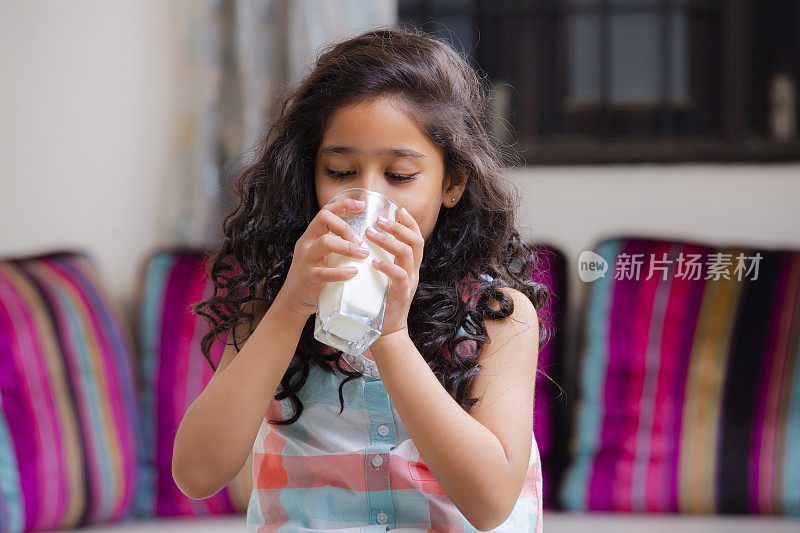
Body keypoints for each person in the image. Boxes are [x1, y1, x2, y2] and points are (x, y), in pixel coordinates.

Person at [173, 25, 555, 532]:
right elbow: (197, 474)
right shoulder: (278, 303)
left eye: (399, 176)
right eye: (339, 171)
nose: (364, 200)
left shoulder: (496, 317)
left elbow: (490, 504)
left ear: (453, 182)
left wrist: (391, 335)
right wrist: (289, 307)